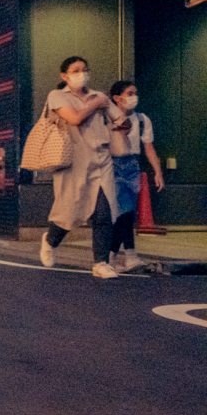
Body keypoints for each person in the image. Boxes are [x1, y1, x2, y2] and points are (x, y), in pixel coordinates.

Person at [39, 56, 118, 278]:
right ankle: (50, 240)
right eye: (75, 70)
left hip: (101, 159)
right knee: (68, 211)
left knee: (104, 211)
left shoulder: (98, 96)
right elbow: (74, 118)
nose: (81, 74)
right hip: (73, 161)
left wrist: (121, 120)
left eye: (84, 69)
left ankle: (101, 263)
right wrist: (95, 104)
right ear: (64, 76)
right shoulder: (57, 96)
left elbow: (119, 120)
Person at [106, 80, 163, 272]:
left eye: (135, 93)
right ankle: (124, 256)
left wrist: (158, 171)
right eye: (130, 93)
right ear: (117, 98)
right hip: (112, 165)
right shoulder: (106, 118)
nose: (134, 97)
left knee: (127, 213)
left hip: (132, 166)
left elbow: (149, 147)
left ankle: (114, 257)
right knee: (123, 212)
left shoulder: (142, 119)